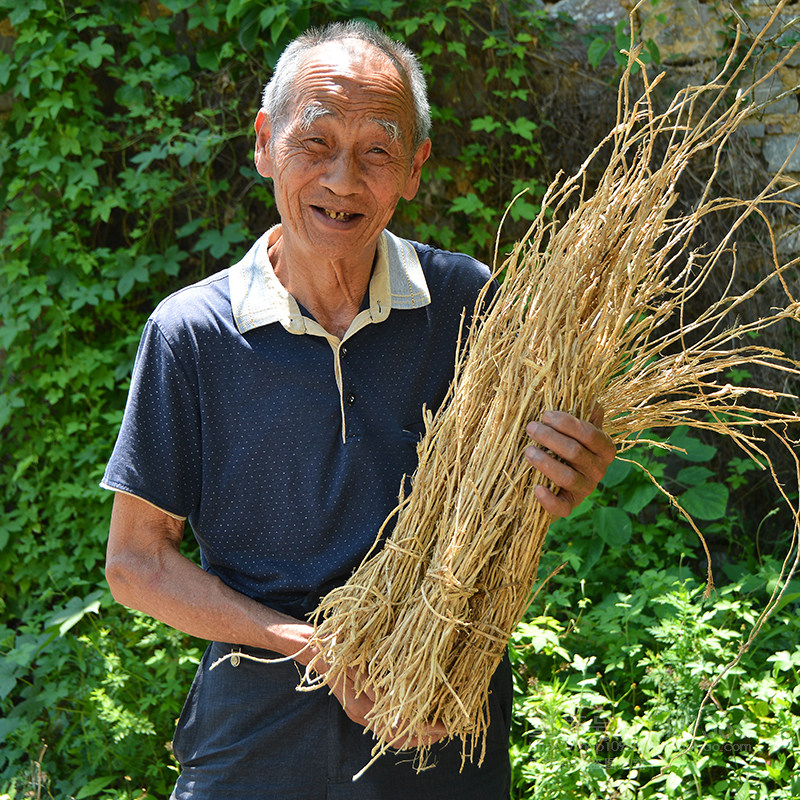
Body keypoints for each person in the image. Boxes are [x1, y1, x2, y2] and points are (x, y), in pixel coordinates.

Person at [102, 20, 615, 800]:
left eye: (377, 151)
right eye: (316, 143)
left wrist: (566, 476)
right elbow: (136, 564)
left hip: (439, 714)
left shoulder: (468, 306)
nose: (343, 180)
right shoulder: (193, 334)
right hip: (256, 734)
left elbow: (514, 507)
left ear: (414, 169)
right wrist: (315, 647)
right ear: (265, 143)